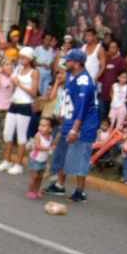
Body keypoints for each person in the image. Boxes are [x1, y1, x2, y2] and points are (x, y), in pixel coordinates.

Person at [43, 49, 100, 202]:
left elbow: (81, 110)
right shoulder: (71, 76)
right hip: (69, 120)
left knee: (79, 157)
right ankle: (60, 185)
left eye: (69, 60)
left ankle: (81, 191)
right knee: (62, 153)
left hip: (83, 125)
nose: (66, 62)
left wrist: (74, 130)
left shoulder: (84, 82)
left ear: (76, 63)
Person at [0, 46, 39, 175]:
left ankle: (19, 163)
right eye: (20, 57)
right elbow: (11, 78)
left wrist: (20, 84)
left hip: (25, 104)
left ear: (30, 59)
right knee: (7, 133)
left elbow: (34, 92)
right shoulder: (18, 69)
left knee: (21, 135)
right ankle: (7, 160)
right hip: (14, 103)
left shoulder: (34, 72)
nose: (22, 60)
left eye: (24, 58)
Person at [99, 39, 127, 121]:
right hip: (104, 92)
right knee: (103, 115)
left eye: (114, 48)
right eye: (110, 47)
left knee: (113, 118)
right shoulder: (106, 60)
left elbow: (123, 77)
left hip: (116, 95)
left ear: (118, 49)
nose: (111, 50)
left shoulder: (122, 61)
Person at [27, 116, 55, 198]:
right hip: (35, 159)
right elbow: (38, 146)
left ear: (50, 129)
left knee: (40, 177)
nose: (40, 128)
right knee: (35, 176)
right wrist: (49, 148)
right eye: (40, 125)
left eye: (44, 126)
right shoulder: (38, 136)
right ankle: (30, 191)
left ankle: (36, 190)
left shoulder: (50, 138)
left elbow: (51, 147)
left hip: (43, 160)